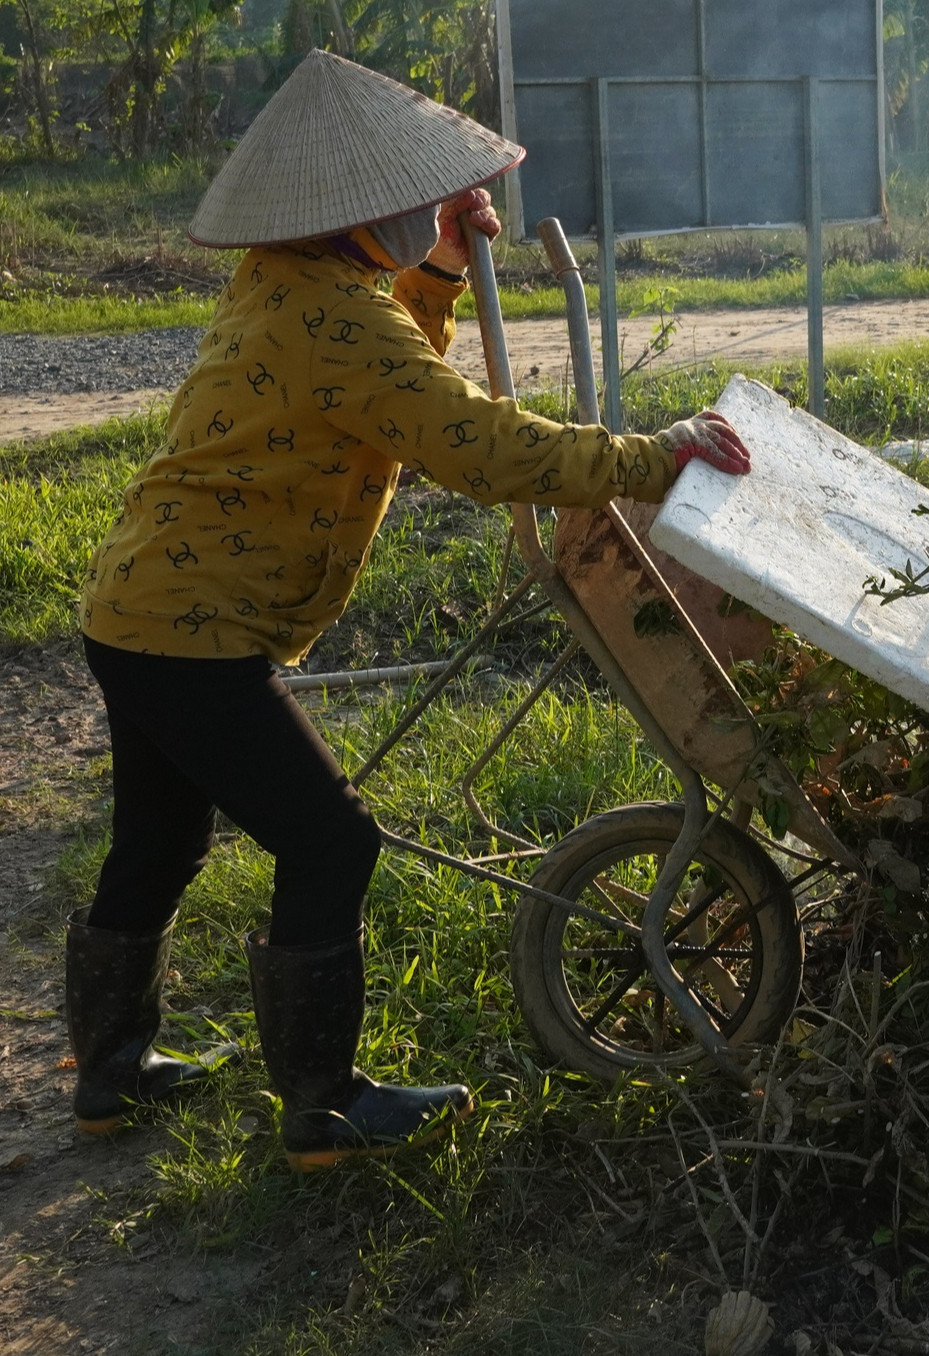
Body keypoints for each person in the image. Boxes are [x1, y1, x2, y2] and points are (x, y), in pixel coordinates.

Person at [66, 49, 752, 1172]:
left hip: (139, 607)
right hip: (193, 631)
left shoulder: (286, 281)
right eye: (419, 201)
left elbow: (379, 385)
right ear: (361, 213)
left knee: (160, 838)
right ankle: (322, 1109)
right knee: (331, 840)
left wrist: (430, 275)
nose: (438, 208)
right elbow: (478, 444)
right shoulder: (338, 319)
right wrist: (650, 456)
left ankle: (108, 1080)